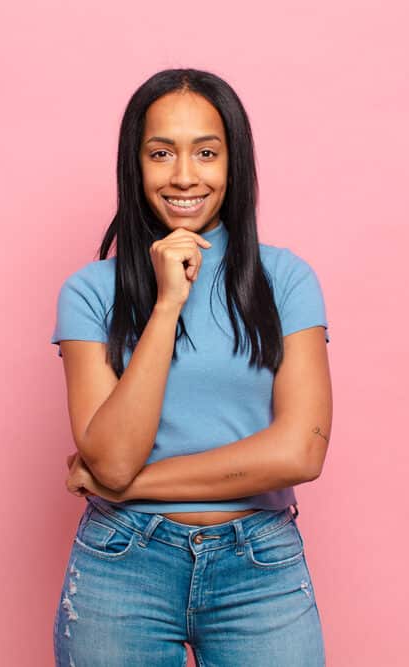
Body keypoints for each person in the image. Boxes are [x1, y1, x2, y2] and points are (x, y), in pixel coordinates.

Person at [49, 68, 332, 666]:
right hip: (123, 563)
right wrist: (166, 304)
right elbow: (113, 456)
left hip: (259, 564)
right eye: (161, 153)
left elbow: (299, 452)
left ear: (234, 164)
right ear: (136, 164)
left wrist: (122, 486)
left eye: (206, 152)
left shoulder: (285, 280)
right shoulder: (90, 293)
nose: (184, 176)